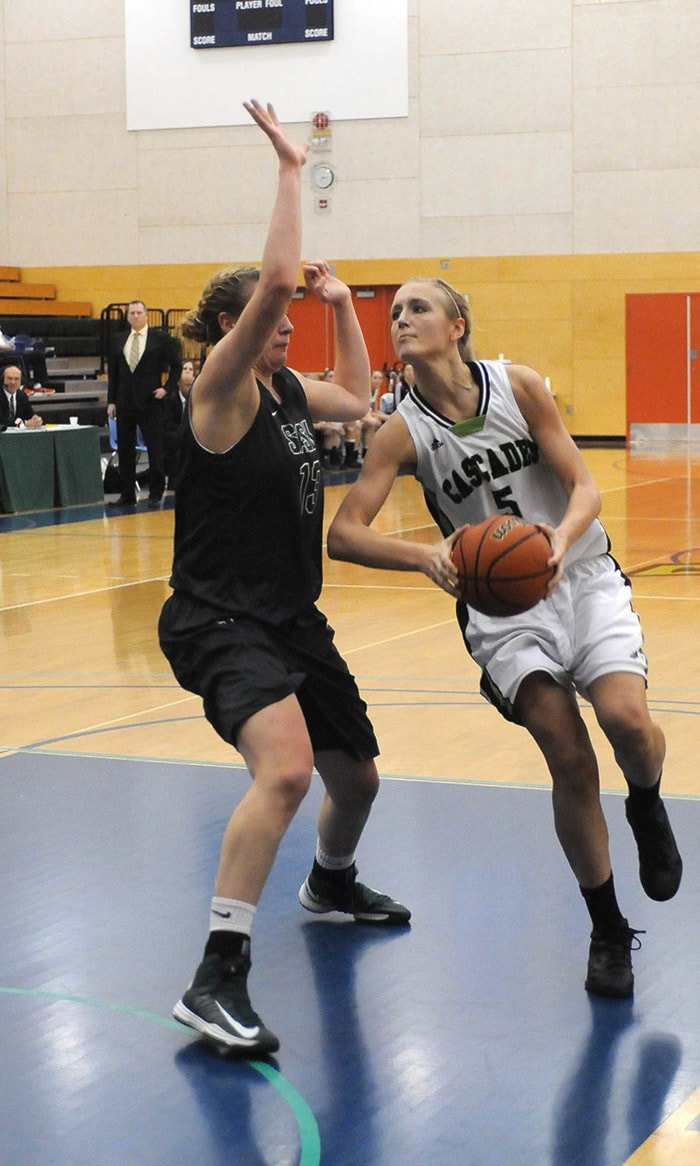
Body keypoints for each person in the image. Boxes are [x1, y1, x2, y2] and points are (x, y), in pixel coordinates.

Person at [327, 276, 682, 1000]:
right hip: (503, 612)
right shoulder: (402, 429)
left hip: (580, 577)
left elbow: (585, 486)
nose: (401, 319)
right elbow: (343, 533)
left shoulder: (518, 386)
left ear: (458, 324)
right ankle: (609, 929)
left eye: (417, 308)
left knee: (628, 725)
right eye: (394, 312)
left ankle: (645, 802)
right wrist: (426, 555)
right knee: (571, 758)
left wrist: (562, 536)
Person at [158, 101, 410, 1058]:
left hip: (290, 617)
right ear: (236, 324)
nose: (286, 325)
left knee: (359, 779)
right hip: (219, 618)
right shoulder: (217, 389)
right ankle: (215, 977)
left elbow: (355, 394)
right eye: (279, 319)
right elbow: (272, 278)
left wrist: (346, 306)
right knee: (290, 769)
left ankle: (331, 881)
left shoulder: (288, 391)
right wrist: (291, 169)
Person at [107, 299, 182, 507]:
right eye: (132, 313)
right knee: (125, 449)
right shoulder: (119, 339)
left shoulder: (159, 338)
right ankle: (127, 493)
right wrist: (111, 401)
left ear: (146, 315)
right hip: (124, 401)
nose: (136, 316)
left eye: (139, 313)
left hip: (151, 401)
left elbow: (177, 366)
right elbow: (114, 373)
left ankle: (156, 492)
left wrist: (166, 389)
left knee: (155, 448)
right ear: (128, 316)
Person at [164, 358, 196, 488]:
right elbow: (167, 424)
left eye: (191, 370)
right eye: (185, 369)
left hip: (189, 434)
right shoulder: (170, 397)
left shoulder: (196, 397)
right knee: (176, 442)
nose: (188, 372)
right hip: (172, 436)